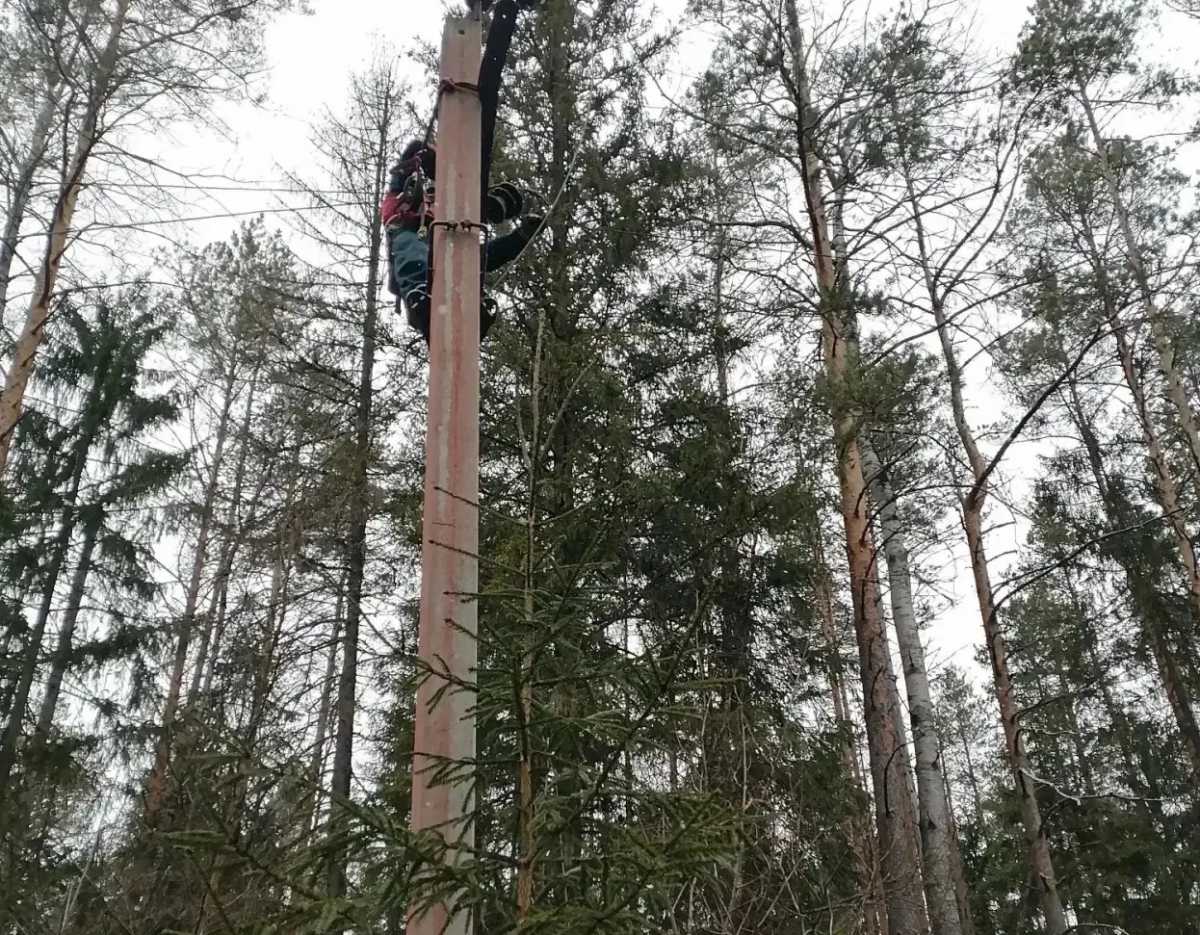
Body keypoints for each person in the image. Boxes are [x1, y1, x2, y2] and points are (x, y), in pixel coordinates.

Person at [382, 141, 544, 343]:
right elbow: (409, 157)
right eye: (430, 195)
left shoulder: (444, 222)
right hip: (412, 254)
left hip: (441, 255)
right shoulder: (399, 199)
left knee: (471, 256)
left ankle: (475, 305)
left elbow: (486, 257)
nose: (432, 201)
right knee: (411, 246)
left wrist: (519, 238)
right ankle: (420, 298)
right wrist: (428, 159)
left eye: (435, 196)